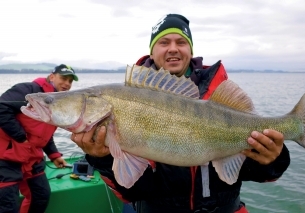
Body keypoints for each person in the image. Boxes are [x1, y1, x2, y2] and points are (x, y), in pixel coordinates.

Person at [71, 14, 290, 213]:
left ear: (191, 50)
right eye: (164, 42)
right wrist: (102, 158)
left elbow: (252, 172)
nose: (173, 48)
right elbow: (133, 191)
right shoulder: (128, 99)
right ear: (152, 50)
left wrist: (272, 160)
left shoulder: (219, 96)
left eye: (181, 42)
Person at [0, 64, 79, 213]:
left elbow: (43, 133)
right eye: (63, 78)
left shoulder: (58, 102)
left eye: (70, 81)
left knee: (41, 196)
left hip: (31, 156)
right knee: (7, 205)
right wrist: (21, 137)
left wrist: (54, 155)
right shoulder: (27, 90)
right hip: (5, 156)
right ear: (52, 76)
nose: (67, 84)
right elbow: (1, 108)